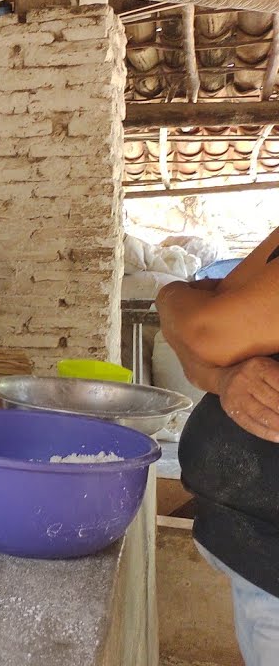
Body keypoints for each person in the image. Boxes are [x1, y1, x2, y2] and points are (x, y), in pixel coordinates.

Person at [157, 225, 279, 666]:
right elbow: (213, 311)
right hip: (261, 555)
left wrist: (169, 296)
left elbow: (204, 329)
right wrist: (223, 377)